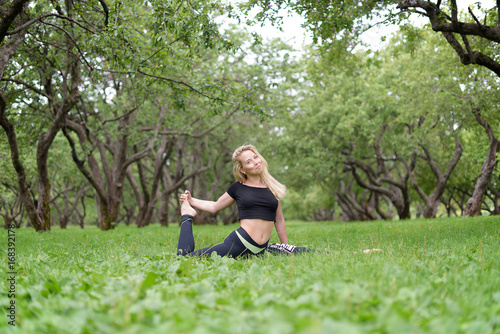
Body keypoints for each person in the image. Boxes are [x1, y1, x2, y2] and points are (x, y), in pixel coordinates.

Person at [177, 144, 297, 258]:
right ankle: (187, 215)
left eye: (255, 157)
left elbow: (279, 219)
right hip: (239, 244)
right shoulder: (238, 188)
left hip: (261, 248)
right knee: (184, 258)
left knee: (311, 252)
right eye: (248, 162)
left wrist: (285, 246)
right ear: (242, 170)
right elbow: (215, 206)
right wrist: (191, 201)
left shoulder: (273, 187)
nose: (255, 162)